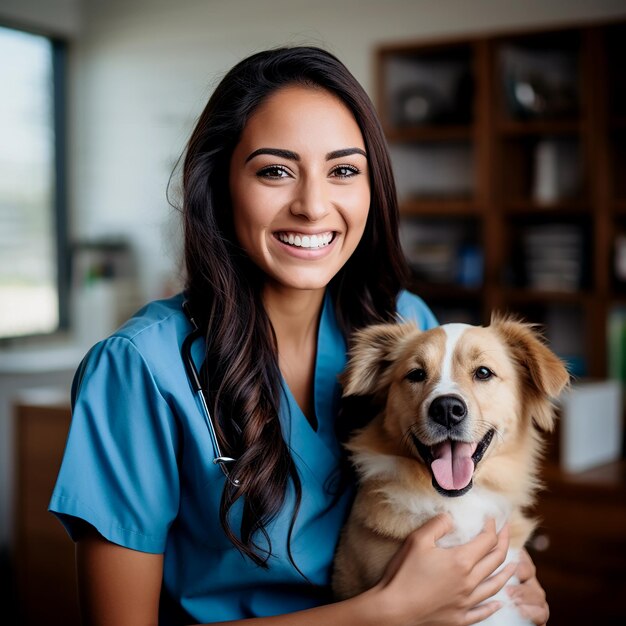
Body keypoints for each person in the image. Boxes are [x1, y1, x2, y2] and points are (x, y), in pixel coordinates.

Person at [49, 46, 549, 626]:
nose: (313, 206)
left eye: (343, 170)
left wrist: (505, 585)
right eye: (275, 170)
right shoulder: (140, 369)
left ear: (372, 188)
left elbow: (458, 507)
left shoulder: (403, 324)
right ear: (219, 184)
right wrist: (386, 612)